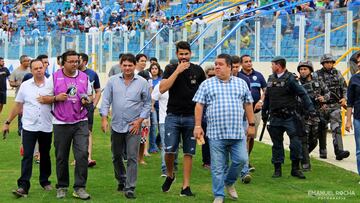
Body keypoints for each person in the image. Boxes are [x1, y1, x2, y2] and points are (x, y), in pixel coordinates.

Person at [193, 54, 255, 203]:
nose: (217, 67)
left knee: (241, 159)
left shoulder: (241, 83)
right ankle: (219, 195)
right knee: (217, 167)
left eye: (220, 64)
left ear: (229, 67)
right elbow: (199, 105)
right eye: (216, 64)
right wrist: (197, 125)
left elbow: (248, 104)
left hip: (237, 133)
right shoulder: (207, 84)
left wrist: (251, 125)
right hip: (216, 133)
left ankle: (229, 182)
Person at [100, 53, 151, 199]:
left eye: (130, 65)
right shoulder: (112, 81)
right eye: (125, 65)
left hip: (134, 126)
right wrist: (104, 118)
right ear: (120, 65)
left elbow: (147, 104)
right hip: (116, 125)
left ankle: (130, 187)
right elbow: (105, 101)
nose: (127, 68)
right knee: (116, 156)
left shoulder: (142, 82)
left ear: (134, 66)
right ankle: (121, 179)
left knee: (132, 157)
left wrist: (139, 121)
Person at [160, 41, 206, 196]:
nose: (184, 57)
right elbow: (162, 88)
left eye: (186, 54)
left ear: (191, 54)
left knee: (189, 152)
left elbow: (204, 93)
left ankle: (185, 187)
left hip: (191, 117)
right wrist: (177, 71)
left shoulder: (198, 70)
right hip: (173, 115)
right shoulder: (170, 68)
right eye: (181, 54)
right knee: (169, 150)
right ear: (177, 55)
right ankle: (170, 175)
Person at [3, 59, 53, 198]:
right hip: (29, 126)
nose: (39, 70)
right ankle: (23, 186)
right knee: (27, 156)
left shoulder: (51, 85)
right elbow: (18, 105)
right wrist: (7, 122)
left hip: (46, 126)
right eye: (35, 68)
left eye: (41, 67)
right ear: (31, 70)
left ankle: (45, 181)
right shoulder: (25, 86)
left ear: (44, 68)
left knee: (45, 155)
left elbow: (57, 101)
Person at [47, 50, 92, 200]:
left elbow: (89, 95)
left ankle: (79, 187)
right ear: (63, 62)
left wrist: (87, 100)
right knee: (61, 156)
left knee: (82, 155)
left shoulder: (85, 77)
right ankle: (62, 186)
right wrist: (56, 97)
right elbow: (44, 98)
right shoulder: (54, 77)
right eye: (71, 61)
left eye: (76, 61)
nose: (74, 64)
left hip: (80, 121)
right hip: (61, 122)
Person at [262, 56, 315, 179]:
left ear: (278, 66)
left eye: (272, 64)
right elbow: (268, 97)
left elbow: (302, 93)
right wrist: (264, 112)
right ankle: (277, 169)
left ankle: (295, 169)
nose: (271, 67)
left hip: (290, 117)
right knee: (276, 145)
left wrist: (311, 109)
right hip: (275, 117)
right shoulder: (271, 78)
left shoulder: (291, 79)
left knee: (295, 143)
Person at [315, 53, 350, 160]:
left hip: (335, 105)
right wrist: (320, 100)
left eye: (331, 62)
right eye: (327, 62)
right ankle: (323, 151)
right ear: (323, 63)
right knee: (322, 128)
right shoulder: (316, 75)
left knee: (336, 128)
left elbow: (344, 87)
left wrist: (344, 98)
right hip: (322, 107)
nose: (329, 64)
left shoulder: (337, 73)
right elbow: (314, 90)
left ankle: (339, 151)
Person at [297, 60, 330, 171]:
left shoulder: (318, 82)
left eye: (305, 69)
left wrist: (323, 98)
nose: (303, 71)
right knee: (304, 139)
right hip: (303, 115)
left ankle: (300, 156)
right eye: (301, 69)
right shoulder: (296, 83)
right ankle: (306, 164)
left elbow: (328, 93)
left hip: (316, 115)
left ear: (310, 70)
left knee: (314, 141)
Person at [237, 55, 266, 173]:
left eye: (250, 61)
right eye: (246, 62)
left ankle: (246, 159)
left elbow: (265, 89)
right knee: (242, 137)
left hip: (256, 111)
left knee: (251, 136)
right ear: (241, 64)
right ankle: (243, 162)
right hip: (241, 111)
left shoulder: (258, 75)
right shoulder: (238, 76)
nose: (249, 63)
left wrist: (261, 101)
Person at [79, 53, 101, 167]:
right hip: (74, 107)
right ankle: (78, 157)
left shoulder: (92, 74)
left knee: (88, 132)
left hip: (88, 107)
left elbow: (98, 90)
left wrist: (94, 104)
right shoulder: (72, 73)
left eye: (79, 60)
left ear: (85, 62)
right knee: (75, 132)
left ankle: (88, 157)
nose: (76, 62)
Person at [345, 52, 360, 177]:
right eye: (358, 61)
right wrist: (348, 120)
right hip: (358, 119)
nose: (358, 64)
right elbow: (350, 102)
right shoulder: (354, 79)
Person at [9, 55, 30, 136]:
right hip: (20, 95)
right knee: (20, 112)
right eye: (26, 61)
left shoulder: (30, 70)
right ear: (21, 62)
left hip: (30, 95)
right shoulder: (16, 71)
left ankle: (27, 128)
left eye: (29, 61)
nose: (28, 62)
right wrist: (19, 84)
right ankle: (20, 129)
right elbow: (11, 83)